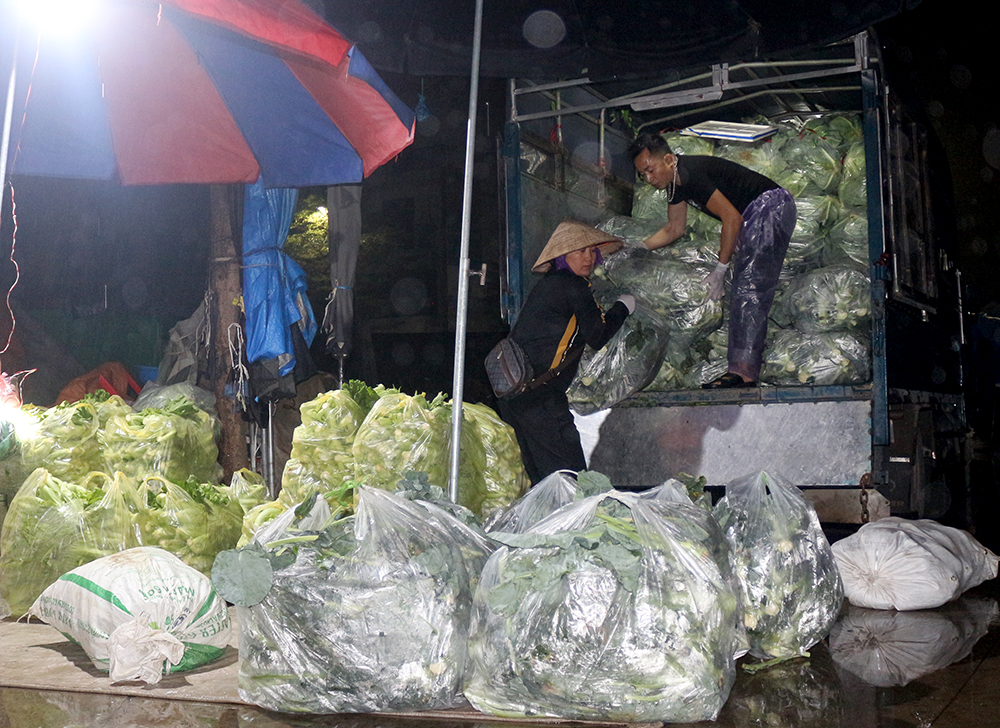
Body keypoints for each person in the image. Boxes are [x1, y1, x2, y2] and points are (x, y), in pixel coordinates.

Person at [627, 132, 797, 388]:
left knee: (748, 288)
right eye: (643, 175)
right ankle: (742, 369)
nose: (649, 179)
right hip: (756, 214)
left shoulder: (692, 174)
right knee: (744, 285)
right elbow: (674, 229)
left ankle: (743, 374)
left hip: (769, 207)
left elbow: (732, 219)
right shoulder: (675, 185)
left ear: (670, 159)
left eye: (650, 170)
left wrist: (720, 269)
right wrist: (638, 246)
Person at [498, 220, 635, 484]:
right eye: (578, 251)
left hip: (518, 398)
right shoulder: (573, 285)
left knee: (543, 483)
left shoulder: (550, 285)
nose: (587, 258)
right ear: (562, 256)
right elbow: (597, 334)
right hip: (541, 400)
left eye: (590, 251)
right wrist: (622, 308)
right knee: (570, 481)